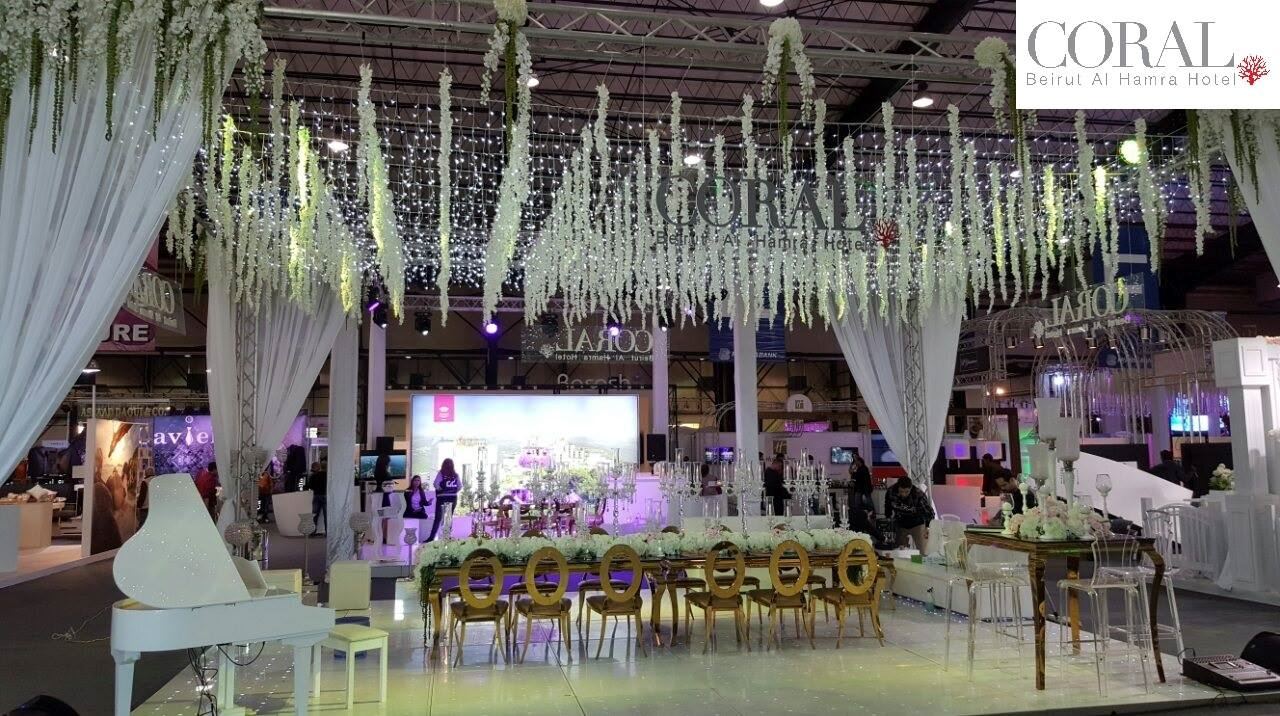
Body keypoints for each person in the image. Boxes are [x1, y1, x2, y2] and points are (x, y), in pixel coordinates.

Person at [884, 477, 934, 554]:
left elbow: (929, 512)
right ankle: (904, 561)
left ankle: (918, 561)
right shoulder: (891, 491)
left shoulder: (918, 494)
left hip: (917, 523)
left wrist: (928, 527)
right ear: (898, 487)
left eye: (906, 492)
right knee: (900, 551)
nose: (903, 494)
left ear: (910, 488)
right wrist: (888, 517)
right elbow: (887, 505)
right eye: (901, 491)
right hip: (900, 523)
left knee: (922, 551)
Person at [426, 459, 462, 542]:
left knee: (438, 518)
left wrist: (441, 489)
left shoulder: (441, 473)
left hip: (442, 497)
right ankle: (447, 537)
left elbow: (436, 484)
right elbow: (460, 486)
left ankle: (431, 538)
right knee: (448, 518)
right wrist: (453, 491)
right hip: (452, 498)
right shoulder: (455, 475)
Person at [308, 461, 327, 529]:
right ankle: (328, 531)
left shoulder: (314, 475)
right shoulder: (327, 475)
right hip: (325, 495)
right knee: (326, 515)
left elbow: (310, 486)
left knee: (315, 515)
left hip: (316, 495)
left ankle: (313, 531)